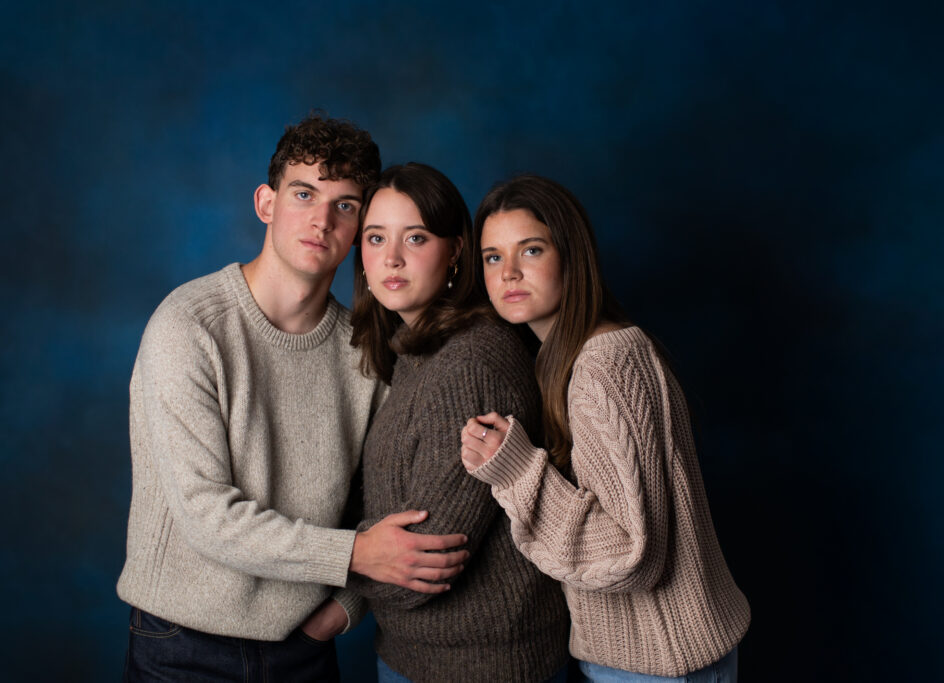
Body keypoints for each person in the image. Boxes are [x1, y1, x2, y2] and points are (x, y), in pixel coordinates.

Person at [117, 115, 471, 682]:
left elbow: (382, 507)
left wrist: (341, 611)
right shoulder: (188, 326)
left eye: (346, 205)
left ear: (361, 227)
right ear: (267, 202)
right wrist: (353, 556)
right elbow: (207, 513)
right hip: (183, 647)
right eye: (304, 193)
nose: (322, 219)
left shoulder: (366, 352)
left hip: (304, 645)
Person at [460, 175, 750, 682]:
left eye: (530, 250)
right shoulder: (597, 351)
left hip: (657, 665)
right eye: (492, 256)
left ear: (571, 255)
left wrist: (515, 470)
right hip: (666, 658)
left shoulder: (601, 365)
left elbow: (629, 553)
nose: (508, 273)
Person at [346, 163, 570, 683]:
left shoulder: (469, 364)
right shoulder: (417, 352)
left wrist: (330, 560)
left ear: (456, 253)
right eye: (375, 238)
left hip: (483, 667)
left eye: (416, 238)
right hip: (416, 657)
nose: (391, 258)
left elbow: (419, 567)